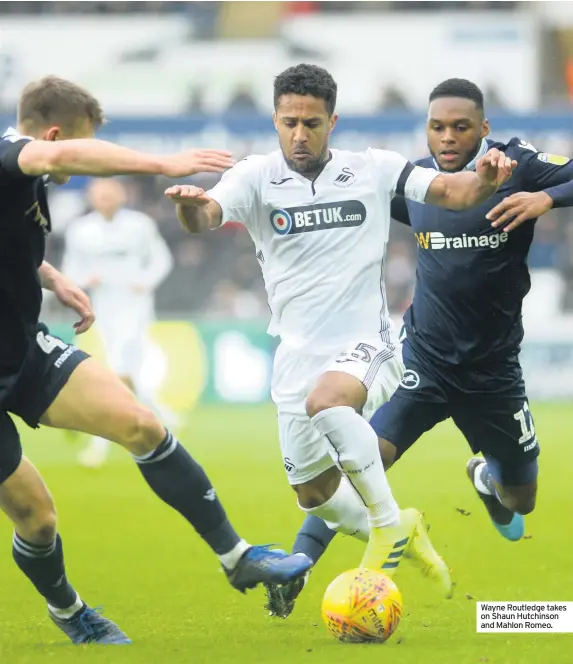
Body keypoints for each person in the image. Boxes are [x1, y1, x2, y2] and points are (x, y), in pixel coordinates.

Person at [164, 65, 515, 611]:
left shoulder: (372, 168)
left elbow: (452, 190)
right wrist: (189, 204)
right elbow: (206, 216)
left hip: (368, 344)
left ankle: (386, 524)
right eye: (288, 123)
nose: (298, 135)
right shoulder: (255, 177)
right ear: (275, 121)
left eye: (310, 123)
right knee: (315, 493)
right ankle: (408, 527)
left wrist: (488, 180)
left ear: (333, 121)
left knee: (327, 403)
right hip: (295, 353)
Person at [0, 75, 312, 645]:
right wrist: (165, 164)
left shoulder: (23, 180)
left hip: (21, 349)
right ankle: (70, 612)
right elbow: (67, 153)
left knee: (143, 423)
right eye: (84, 142)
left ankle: (236, 556)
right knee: (37, 518)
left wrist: (49, 275)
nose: (83, 163)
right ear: (49, 134)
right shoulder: (14, 154)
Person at [276, 77, 573, 619]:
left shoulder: (518, 165)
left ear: (483, 128)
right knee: (358, 461)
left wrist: (545, 197)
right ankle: (299, 560)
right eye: (437, 127)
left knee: (519, 501)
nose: (448, 137)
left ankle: (485, 478)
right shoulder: (415, 184)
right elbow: (345, 199)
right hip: (424, 363)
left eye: (461, 127)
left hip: (494, 374)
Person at [62, 178, 174, 468]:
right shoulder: (80, 230)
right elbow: (70, 269)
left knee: (120, 366)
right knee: (124, 368)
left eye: (110, 194)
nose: (106, 200)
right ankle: (159, 417)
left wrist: (145, 281)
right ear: (92, 198)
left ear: (121, 195)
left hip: (136, 306)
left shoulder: (140, 225)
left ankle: (102, 440)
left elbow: (162, 259)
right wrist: (86, 280)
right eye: (100, 195)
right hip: (103, 308)